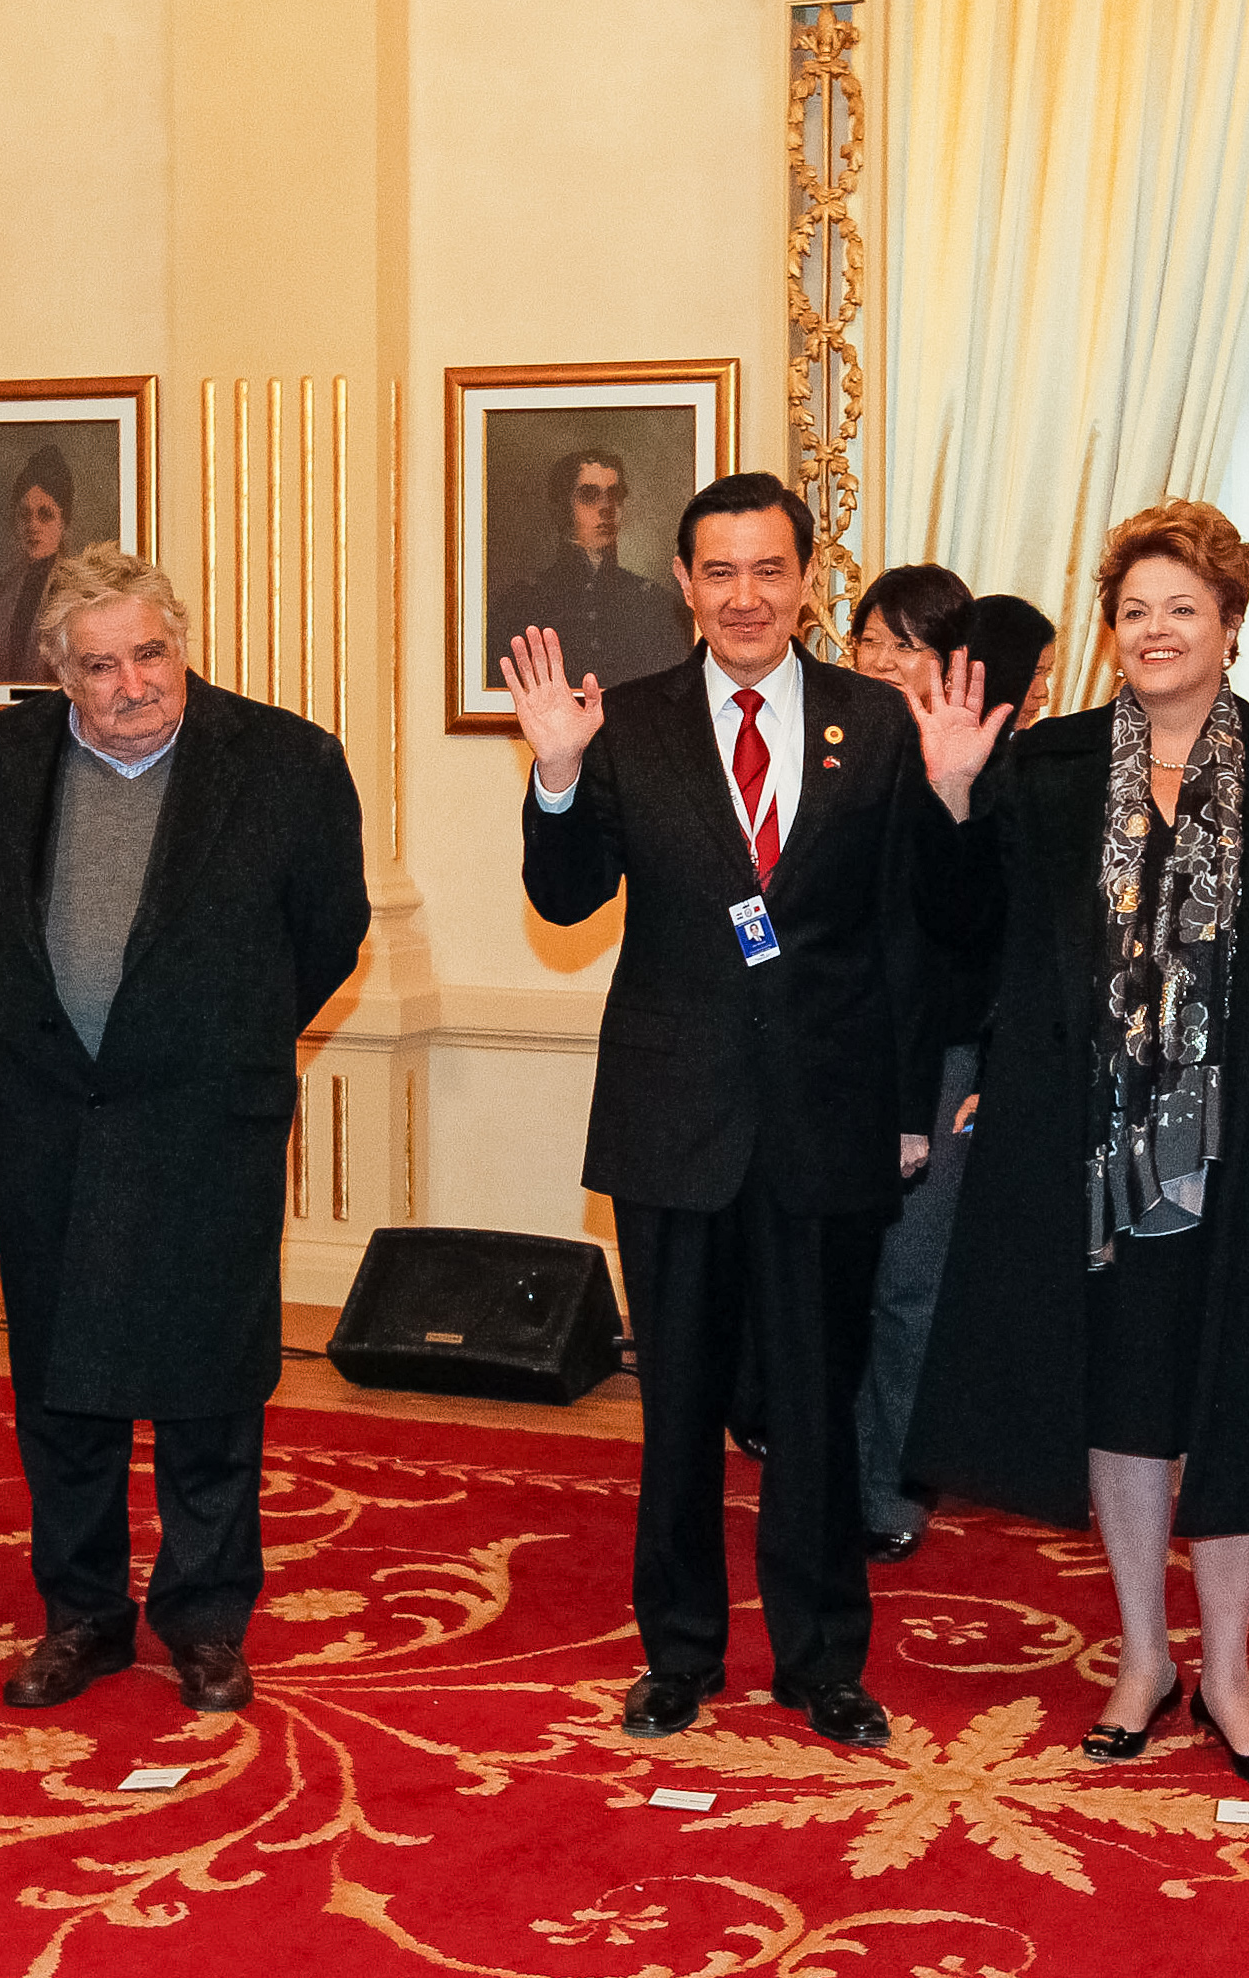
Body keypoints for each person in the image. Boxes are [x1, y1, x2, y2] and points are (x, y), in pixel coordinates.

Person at [900, 500, 1249, 1790]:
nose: (1155, 630)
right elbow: (963, 935)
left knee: (1225, 1402)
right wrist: (948, 791)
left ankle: (1227, 1672)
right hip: (1085, 1156)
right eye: (1132, 611)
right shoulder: (1048, 767)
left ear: (1229, 623)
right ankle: (1139, 1657)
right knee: (1117, 1406)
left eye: (1182, 607)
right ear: (1109, 632)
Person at [505, 471, 948, 1750]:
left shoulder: (877, 721)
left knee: (818, 1404)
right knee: (680, 1405)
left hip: (830, 1117)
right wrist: (553, 774)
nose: (745, 596)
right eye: (719, 572)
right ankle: (680, 1653)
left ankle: (822, 1661)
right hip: (673, 1114)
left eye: (769, 570)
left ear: (808, 579)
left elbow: (916, 936)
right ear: (687, 584)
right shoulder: (627, 721)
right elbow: (568, 897)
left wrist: (911, 1104)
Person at [0, 547, 368, 1720]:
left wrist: (216, 1035)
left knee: (208, 1385)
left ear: (181, 642)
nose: (133, 684)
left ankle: (203, 1617)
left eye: (151, 652)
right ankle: (80, 1614)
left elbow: (325, 935)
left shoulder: (283, 761)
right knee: (58, 1384)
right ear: (57, 674)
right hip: (48, 1123)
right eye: (100, 665)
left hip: (204, 1121)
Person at [841, 568, 1027, 1563]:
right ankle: (827, 1469)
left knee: (909, 1280)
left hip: (944, 1057)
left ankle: (890, 1480)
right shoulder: (827, 747)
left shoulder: (990, 772)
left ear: (952, 661)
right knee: (830, 1277)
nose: (877, 659)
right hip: (834, 1047)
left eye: (904, 642)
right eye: (868, 637)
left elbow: (982, 935)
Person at [486, 447, 691, 688]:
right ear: (562, 507)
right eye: (589, 495)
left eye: (614, 495)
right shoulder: (520, 601)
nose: (607, 507)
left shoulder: (653, 601)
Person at [0, 444, 78, 685]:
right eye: (24, 515)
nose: (33, 525)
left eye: (45, 514)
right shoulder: (1, 593)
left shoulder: (78, 591)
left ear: (64, 523)